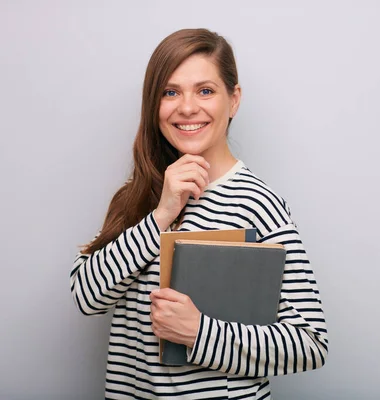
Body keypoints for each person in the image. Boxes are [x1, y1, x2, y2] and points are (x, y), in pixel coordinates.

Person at [69, 28, 328, 399]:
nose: (187, 107)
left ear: (233, 100)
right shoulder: (137, 196)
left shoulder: (257, 204)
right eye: (170, 92)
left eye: (205, 91)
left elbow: (310, 343)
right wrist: (160, 216)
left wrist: (198, 332)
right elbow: (85, 296)